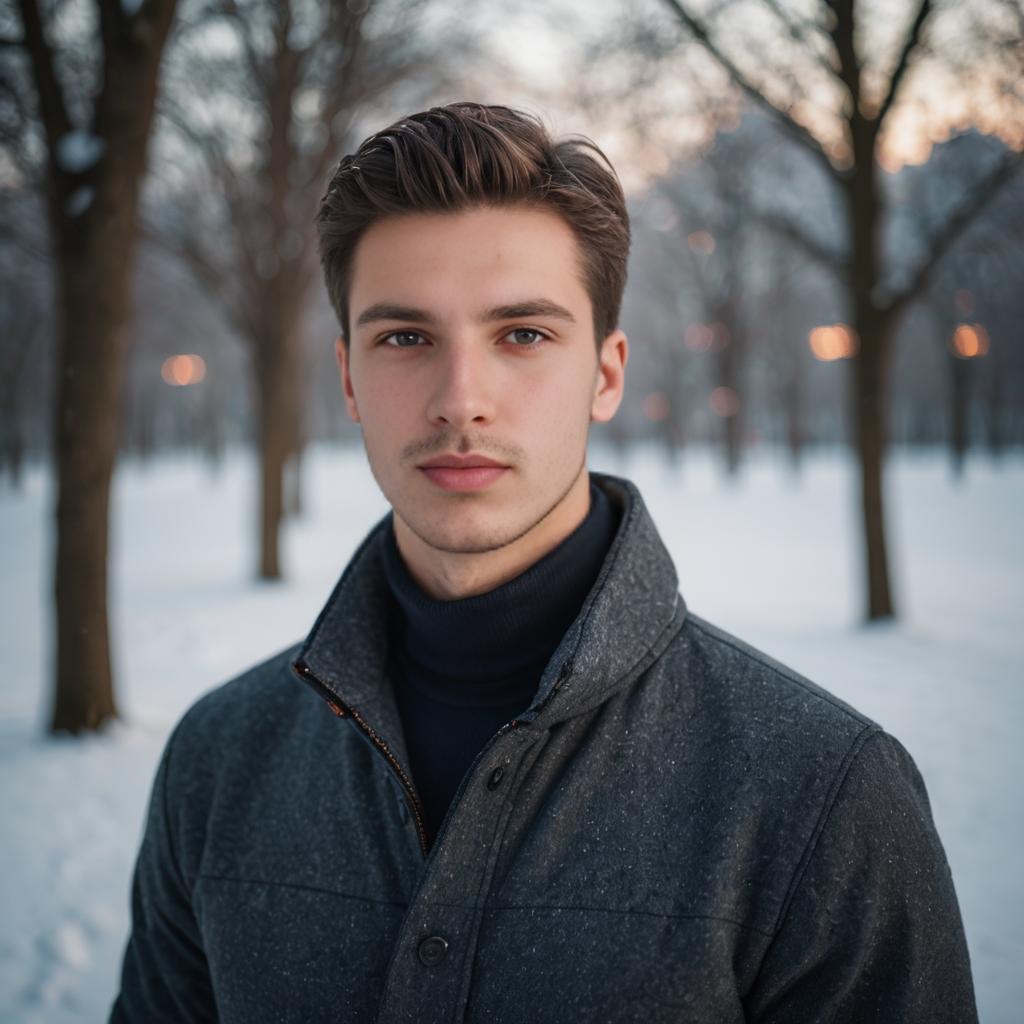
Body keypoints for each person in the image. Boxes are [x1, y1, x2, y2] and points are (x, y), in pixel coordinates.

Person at [109, 102, 977, 1023]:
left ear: (607, 373)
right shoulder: (217, 761)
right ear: (351, 378)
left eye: (522, 334)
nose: (460, 400)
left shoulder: (823, 793)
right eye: (406, 337)